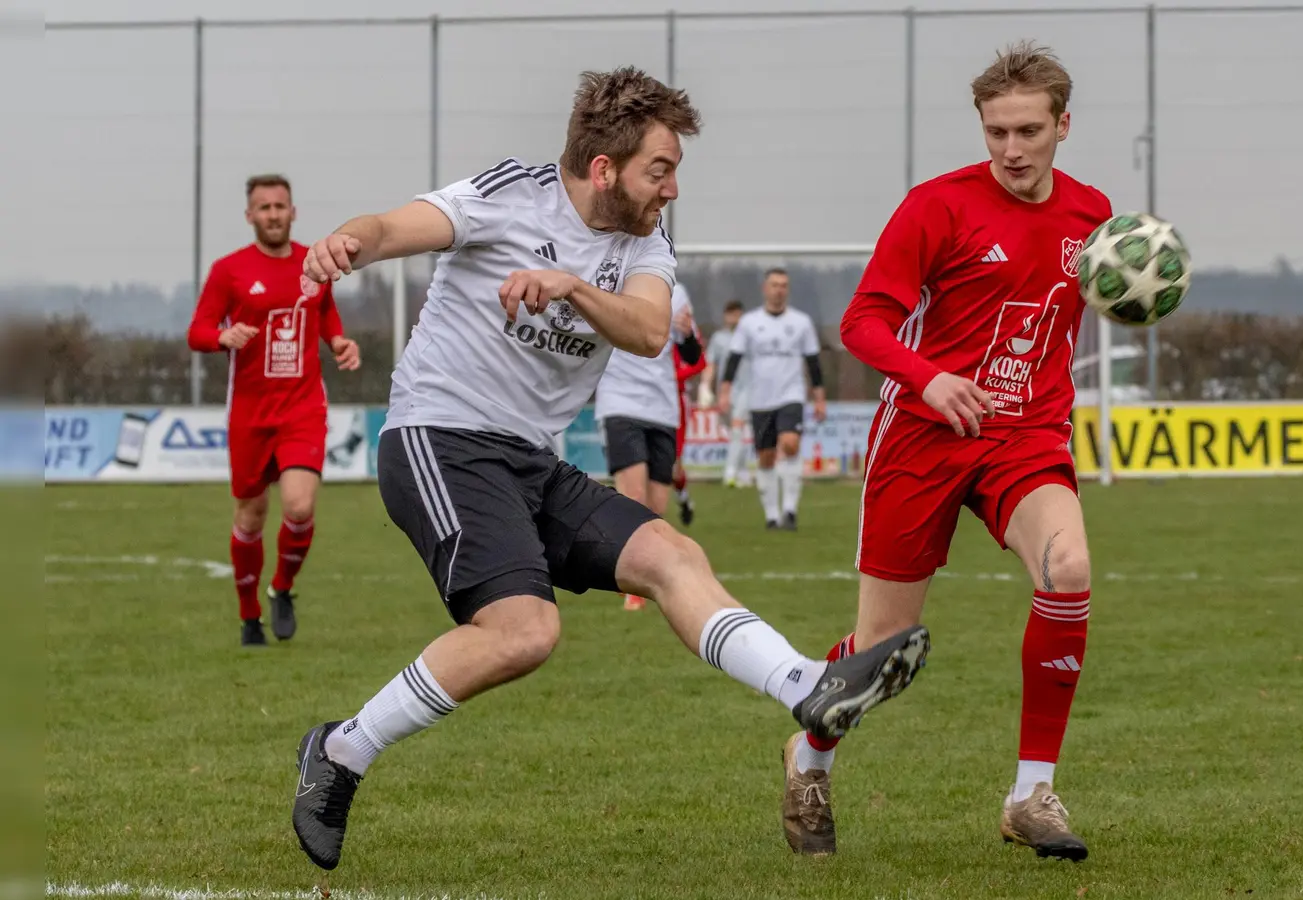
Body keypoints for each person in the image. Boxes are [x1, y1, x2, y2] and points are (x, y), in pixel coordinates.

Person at [287, 66, 930, 872]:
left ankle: (807, 686)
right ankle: (342, 751)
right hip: (439, 437)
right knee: (525, 632)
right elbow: (388, 228)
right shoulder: (507, 195)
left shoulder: (646, 241)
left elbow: (651, 328)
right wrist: (349, 242)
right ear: (604, 170)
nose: (671, 189)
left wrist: (571, 286)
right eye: (659, 170)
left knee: (671, 555)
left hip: (530, 459)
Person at [775, 41, 1109, 861]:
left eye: (1029, 129)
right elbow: (862, 324)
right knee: (885, 648)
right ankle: (808, 757)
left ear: (1064, 124)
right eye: (996, 131)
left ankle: (1032, 793)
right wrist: (930, 381)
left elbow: (1101, 293)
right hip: (923, 436)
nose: (1012, 149)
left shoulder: (1093, 215)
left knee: (1068, 568)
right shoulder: (935, 207)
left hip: (1025, 436)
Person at [187, 174, 361, 648]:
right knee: (250, 517)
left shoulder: (312, 263)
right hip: (248, 413)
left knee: (300, 506)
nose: (273, 214)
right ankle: (249, 619)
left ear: (293, 211)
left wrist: (338, 341)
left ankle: (282, 587)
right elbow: (197, 330)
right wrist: (221, 337)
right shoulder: (229, 271)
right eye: (263, 207)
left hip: (303, 407)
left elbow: (324, 311)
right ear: (250, 216)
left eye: (280, 205)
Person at [595, 281, 702, 609]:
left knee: (656, 506)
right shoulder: (605, 281)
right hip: (620, 403)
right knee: (634, 497)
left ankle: (620, 566)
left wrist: (687, 336)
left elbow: (692, 355)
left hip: (662, 408)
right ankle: (632, 588)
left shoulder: (677, 291)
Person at [717, 270, 826, 530]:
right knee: (765, 456)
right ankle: (772, 515)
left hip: (792, 394)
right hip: (760, 399)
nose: (779, 290)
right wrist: (724, 392)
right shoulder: (749, 322)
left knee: (790, 444)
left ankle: (789, 509)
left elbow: (813, 362)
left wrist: (819, 398)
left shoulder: (801, 322)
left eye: (784, 285)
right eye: (775, 285)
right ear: (765, 288)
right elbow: (734, 358)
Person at [704, 300, 752, 487]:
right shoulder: (718, 338)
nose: (735, 318)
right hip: (725, 390)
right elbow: (711, 364)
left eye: (738, 314)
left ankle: (730, 472)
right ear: (726, 316)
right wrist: (705, 387)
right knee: (734, 432)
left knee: (738, 427)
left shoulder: (750, 337)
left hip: (747, 389)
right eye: (731, 314)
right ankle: (743, 472)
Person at [671, 316, 709, 528]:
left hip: (676, 402)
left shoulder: (681, 320)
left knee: (673, 465)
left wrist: (674, 377)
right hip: (641, 401)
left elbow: (700, 362)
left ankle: (683, 499)